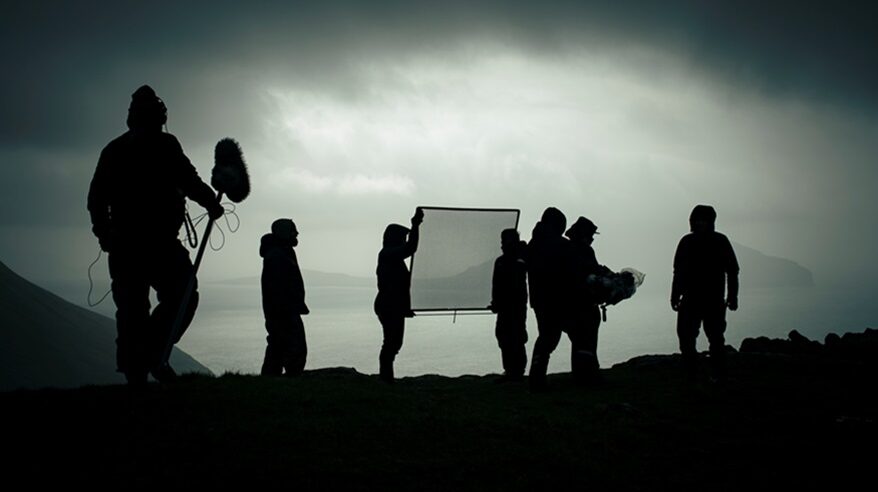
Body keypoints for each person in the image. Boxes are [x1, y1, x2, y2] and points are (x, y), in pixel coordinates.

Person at [87, 85, 224, 386]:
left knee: (134, 309)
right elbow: (189, 180)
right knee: (180, 296)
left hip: (128, 245)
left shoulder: (114, 150)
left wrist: (104, 234)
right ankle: (152, 355)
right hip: (156, 243)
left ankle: (141, 366)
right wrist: (211, 202)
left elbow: (96, 198)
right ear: (160, 115)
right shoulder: (165, 145)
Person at [671, 204, 740, 382]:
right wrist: (675, 295)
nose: (699, 223)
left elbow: (732, 271)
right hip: (695, 299)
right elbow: (678, 271)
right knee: (688, 338)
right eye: (697, 220)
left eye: (702, 220)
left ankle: (715, 374)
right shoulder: (692, 241)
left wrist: (733, 296)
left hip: (711, 300)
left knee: (714, 338)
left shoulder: (708, 241)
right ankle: (695, 373)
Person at [526, 207, 576, 391]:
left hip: (540, 299)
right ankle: (537, 380)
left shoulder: (534, 243)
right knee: (551, 338)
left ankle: (536, 377)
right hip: (555, 299)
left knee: (546, 337)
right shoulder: (557, 244)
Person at [374, 207, 424, 382]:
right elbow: (411, 248)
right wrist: (416, 225)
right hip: (388, 306)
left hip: (392, 305)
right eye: (401, 238)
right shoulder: (388, 254)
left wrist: (405, 307)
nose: (404, 241)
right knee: (391, 343)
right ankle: (386, 377)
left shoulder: (391, 257)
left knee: (394, 343)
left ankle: (386, 376)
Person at [260, 219, 309, 376]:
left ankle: (272, 380)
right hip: (283, 312)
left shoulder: (282, 252)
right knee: (292, 347)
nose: (297, 233)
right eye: (293, 230)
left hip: (283, 310)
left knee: (278, 346)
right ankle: (289, 380)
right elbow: (277, 288)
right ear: (284, 232)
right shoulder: (277, 255)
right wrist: (288, 308)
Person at [566, 216, 611, 384]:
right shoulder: (584, 251)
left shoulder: (567, 249)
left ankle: (581, 373)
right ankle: (588, 374)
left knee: (579, 341)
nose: (592, 239)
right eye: (590, 235)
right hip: (584, 303)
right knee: (587, 339)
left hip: (572, 303)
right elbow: (591, 271)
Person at [488, 228, 528, 382]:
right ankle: (510, 369)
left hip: (516, 307)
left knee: (516, 336)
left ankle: (517, 370)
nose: (502, 245)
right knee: (504, 336)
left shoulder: (519, 259)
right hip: (505, 307)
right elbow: (495, 285)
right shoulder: (501, 261)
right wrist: (496, 303)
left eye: (505, 241)